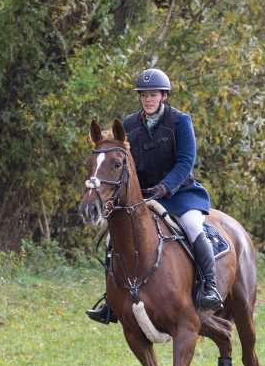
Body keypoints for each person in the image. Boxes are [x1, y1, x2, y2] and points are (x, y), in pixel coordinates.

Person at [86, 67, 223, 324]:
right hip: (144, 196)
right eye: (144, 95)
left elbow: (186, 162)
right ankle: (111, 302)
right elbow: (122, 163)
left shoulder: (180, 121)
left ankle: (210, 287)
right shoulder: (129, 125)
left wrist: (165, 186)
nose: (148, 99)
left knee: (193, 227)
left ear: (163, 96)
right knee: (112, 240)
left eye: (153, 95)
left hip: (180, 193)